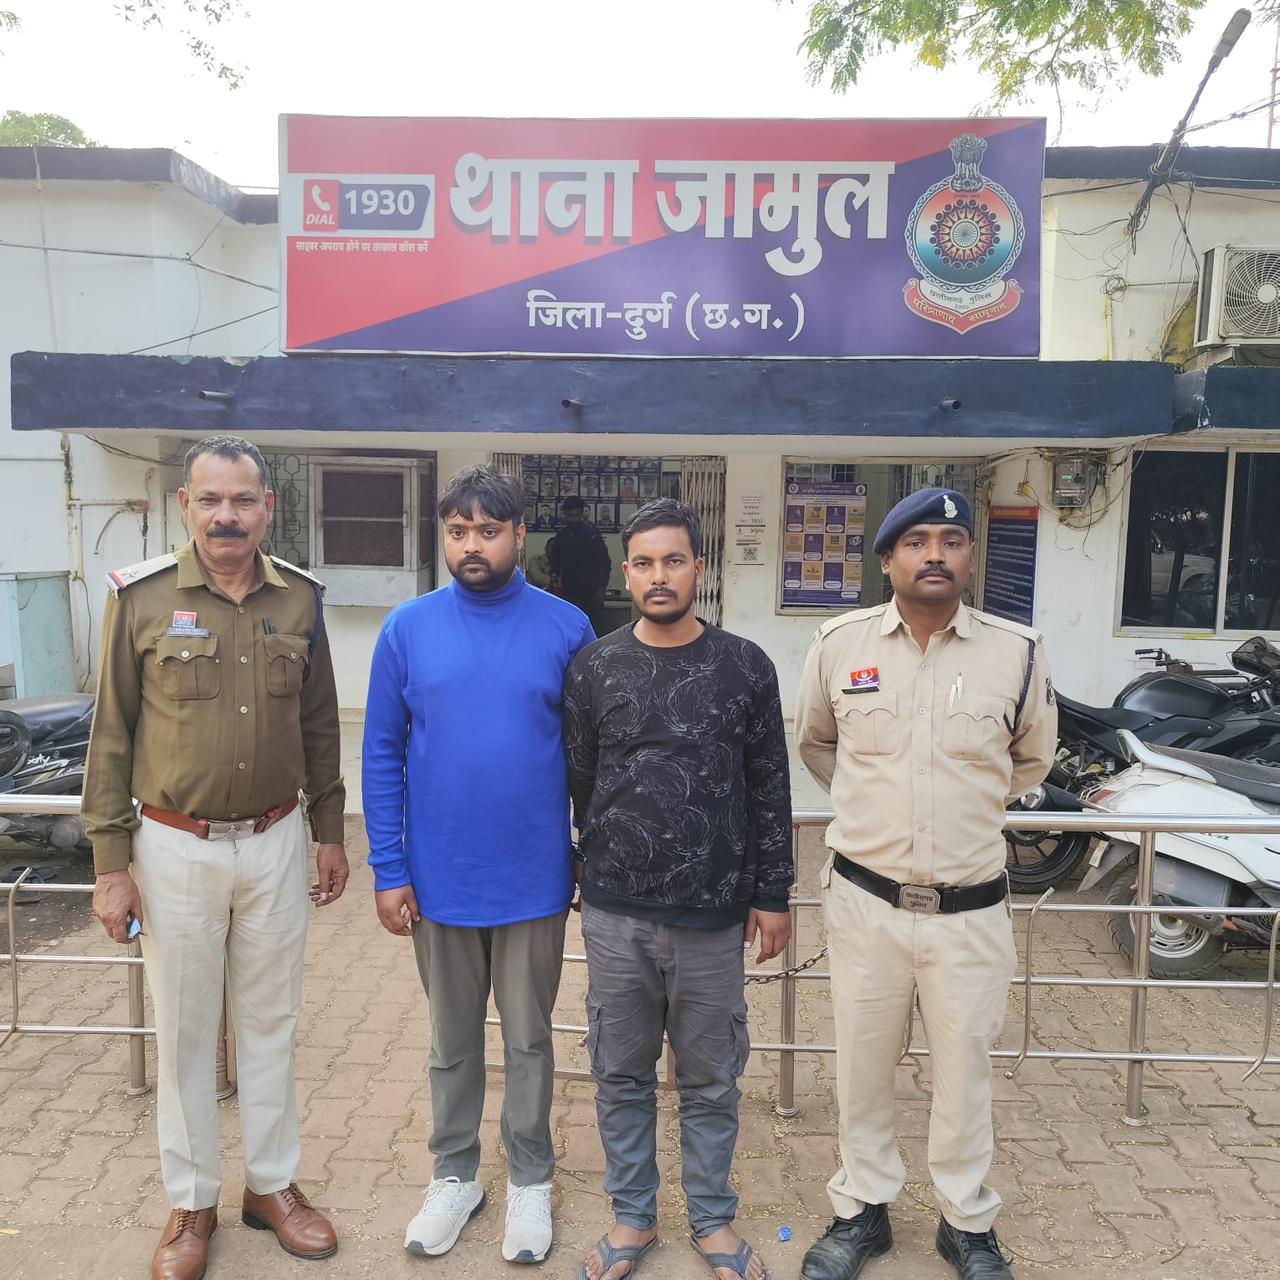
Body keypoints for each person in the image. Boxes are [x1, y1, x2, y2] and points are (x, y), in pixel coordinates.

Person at [84, 434, 347, 1280]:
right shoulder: (141, 598)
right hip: (174, 848)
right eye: (210, 499)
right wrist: (110, 864)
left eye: (241, 500)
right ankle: (191, 1201)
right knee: (186, 1031)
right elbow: (111, 734)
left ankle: (271, 1186)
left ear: (267, 507)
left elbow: (320, 726)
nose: (225, 515)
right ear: (184, 505)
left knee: (272, 1023)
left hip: (275, 842)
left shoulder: (300, 600)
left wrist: (330, 832)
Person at [794, 488, 1056, 1280]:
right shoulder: (838, 645)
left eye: (951, 539)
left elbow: (1031, 760)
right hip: (866, 903)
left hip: (969, 909)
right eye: (916, 542)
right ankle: (861, 1211)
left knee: (965, 1074)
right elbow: (816, 742)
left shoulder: (1017, 652)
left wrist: (956, 808)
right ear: (888, 560)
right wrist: (879, 809)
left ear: (970, 557)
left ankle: (966, 1221)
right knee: (861, 1067)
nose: (934, 554)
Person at [362, 464, 594, 1265]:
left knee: (529, 1041)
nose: (472, 545)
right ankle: (455, 1175)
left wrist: (586, 853)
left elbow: (590, 758)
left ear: (519, 534)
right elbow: (381, 752)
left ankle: (530, 1178)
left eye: (488, 531)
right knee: (451, 1041)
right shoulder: (407, 629)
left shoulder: (567, 628)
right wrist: (388, 869)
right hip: (440, 877)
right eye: (458, 531)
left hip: (533, 876)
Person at [564, 498, 794, 1280]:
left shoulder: (746, 667)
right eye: (643, 563)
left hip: (713, 915)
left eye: (672, 560)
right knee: (620, 1073)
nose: (658, 576)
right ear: (626, 572)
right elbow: (581, 779)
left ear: (699, 567)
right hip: (617, 912)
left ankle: (712, 1220)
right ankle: (632, 1216)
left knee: (710, 1079)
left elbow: (769, 786)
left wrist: (774, 893)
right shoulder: (594, 666)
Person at [549, 494, 612, 635]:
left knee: (593, 633)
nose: (572, 516)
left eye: (574, 512)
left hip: (591, 594)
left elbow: (604, 562)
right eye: (569, 512)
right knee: (571, 633)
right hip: (569, 594)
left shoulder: (591, 535)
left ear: (581, 512)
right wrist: (554, 579)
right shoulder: (562, 537)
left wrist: (601, 587)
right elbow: (555, 564)